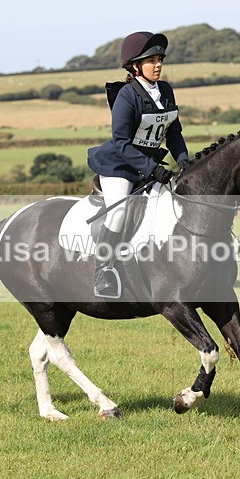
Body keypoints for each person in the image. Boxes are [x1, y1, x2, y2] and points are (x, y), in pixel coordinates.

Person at [87, 31, 191, 299]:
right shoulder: (126, 95)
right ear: (135, 66)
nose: (158, 64)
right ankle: (103, 271)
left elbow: (174, 132)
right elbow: (121, 142)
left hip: (149, 164)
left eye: (160, 59)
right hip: (119, 166)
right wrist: (152, 169)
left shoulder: (165, 90)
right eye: (151, 60)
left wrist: (183, 160)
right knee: (119, 212)